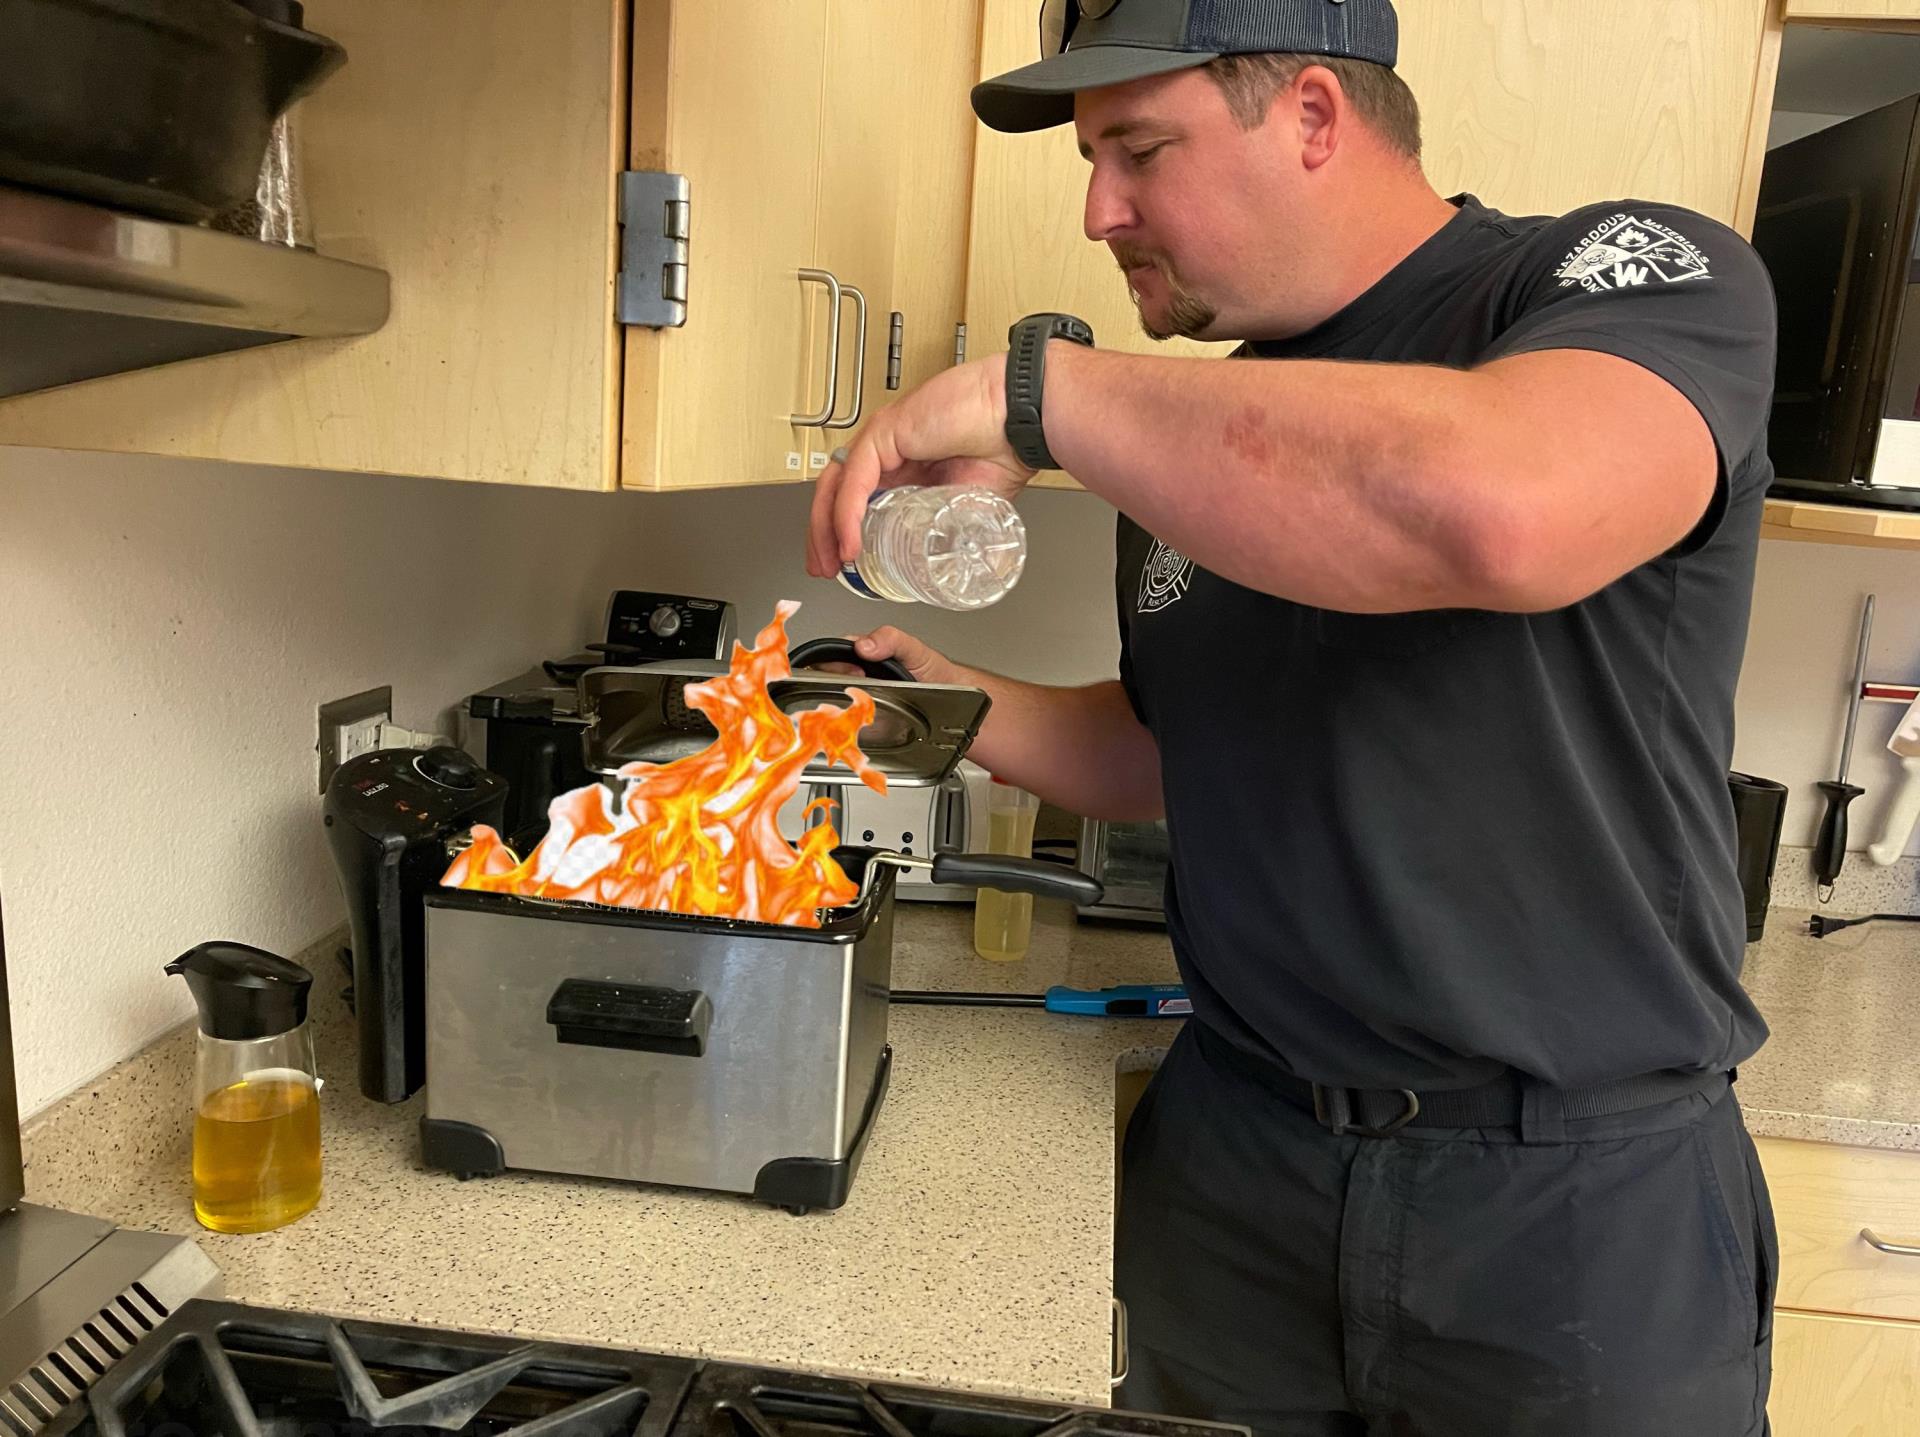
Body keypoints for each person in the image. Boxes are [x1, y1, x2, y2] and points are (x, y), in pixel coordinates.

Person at [805, 1, 1779, 1432]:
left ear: (1315, 117)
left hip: (1572, 1205)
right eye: (1089, 159)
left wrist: (1045, 394)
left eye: (1138, 149)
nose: (1097, 210)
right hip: (1239, 1162)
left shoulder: (1628, 279)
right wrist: (942, 705)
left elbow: (1501, 512)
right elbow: (1178, 745)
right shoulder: (1205, 440)